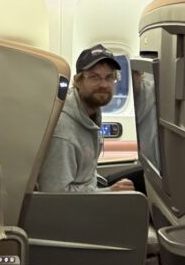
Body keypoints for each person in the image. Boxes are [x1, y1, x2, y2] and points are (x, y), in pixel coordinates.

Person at [37, 45, 135, 193]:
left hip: (89, 193)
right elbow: (55, 194)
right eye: (94, 77)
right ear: (77, 81)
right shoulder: (63, 132)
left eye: (109, 77)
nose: (103, 84)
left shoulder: (91, 111)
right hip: (73, 210)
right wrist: (109, 192)